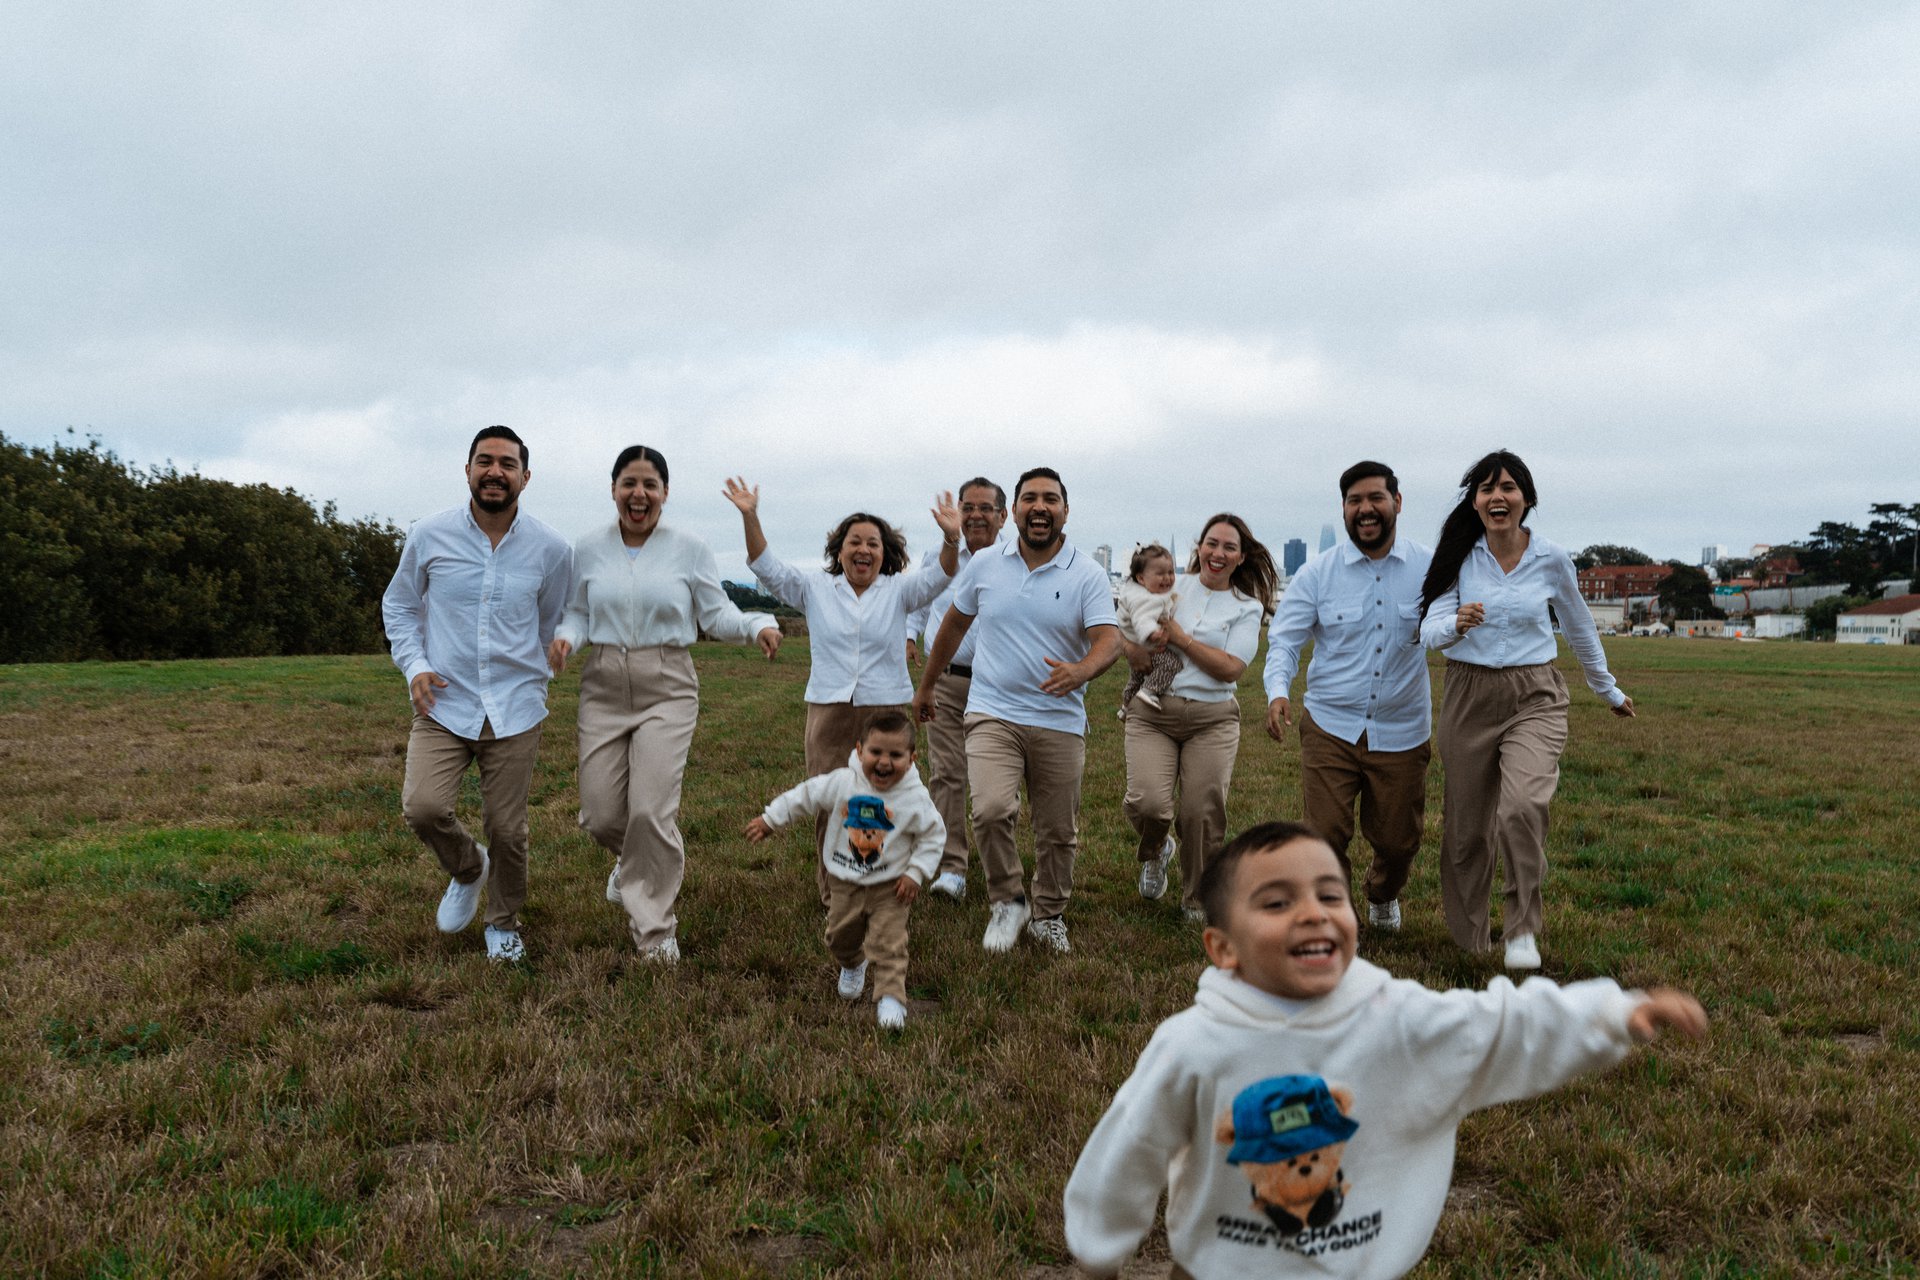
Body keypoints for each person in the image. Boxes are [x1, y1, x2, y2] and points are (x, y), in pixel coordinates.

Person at [1063, 821, 1706, 1278]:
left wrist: (1609, 1014)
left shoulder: (1395, 1019)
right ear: (1223, 949)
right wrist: (1099, 1250)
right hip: (1218, 1269)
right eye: (1277, 902)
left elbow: (1500, 1027)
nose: (1313, 913)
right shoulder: (1193, 1045)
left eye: (1330, 895)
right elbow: (1132, 1143)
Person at [547, 445, 782, 965]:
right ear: (613, 490)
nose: (639, 494)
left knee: (651, 812)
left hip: (668, 684)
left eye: (650, 485)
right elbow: (579, 613)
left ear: (665, 493)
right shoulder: (588, 547)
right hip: (603, 685)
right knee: (600, 816)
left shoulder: (689, 547)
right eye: (629, 483)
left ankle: (655, 932)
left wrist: (757, 625)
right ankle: (636, 862)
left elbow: (715, 613)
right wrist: (566, 639)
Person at [1417, 450, 1636, 971]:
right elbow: (1427, 630)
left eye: (1509, 487)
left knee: (1521, 806)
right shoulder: (1457, 557)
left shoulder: (1552, 559)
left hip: (1535, 695)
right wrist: (1455, 624)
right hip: (1468, 695)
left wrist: (1607, 689)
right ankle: (1470, 936)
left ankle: (1521, 930)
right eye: (1487, 489)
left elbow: (1579, 627)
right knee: (1467, 829)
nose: (1498, 496)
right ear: (1475, 502)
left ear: (1526, 499)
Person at [382, 425, 573, 963]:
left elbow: (555, 619)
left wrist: (552, 656)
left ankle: (503, 922)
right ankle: (469, 868)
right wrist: (415, 666)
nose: (495, 472)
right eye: (485, 461)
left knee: (508, 830)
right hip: (442, 702)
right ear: (467, 470)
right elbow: (400, 605)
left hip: (516, 707)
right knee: (423, 808)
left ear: (525, 477)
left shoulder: (553, 549)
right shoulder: (429, 535)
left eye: (507, 464)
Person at [913, 466, 1121, 954]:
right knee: (989, 810)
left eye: (1050, 499)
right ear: (1017, 510)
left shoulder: (1086, 573)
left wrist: (1080, 671)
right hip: (993, 711)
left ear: (1065, 511)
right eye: (1030, 498)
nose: (1039, 507)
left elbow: (1109, 640)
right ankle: (1008, 900)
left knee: (1057, 830)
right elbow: (953, 624)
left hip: (1058, 718)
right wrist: (927, 685)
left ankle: (1049, 914)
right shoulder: (986, 565)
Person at [723, 478, 961, 903]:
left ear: (884, 553)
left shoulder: (899, 590)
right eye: (855, 542)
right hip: (829, 710)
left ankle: (881, 883)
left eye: (873, 543)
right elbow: (765, 565)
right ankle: (834, 892)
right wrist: (750, 516)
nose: (863, 550)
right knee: (832, 801)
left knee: (887, 800)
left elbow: (942, 575)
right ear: (839, 550)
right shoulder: (815, 587)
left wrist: (950, 538)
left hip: (885, 711)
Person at [1263, 461, 1434, 933]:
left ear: (1397, 503)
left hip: (1402, 729)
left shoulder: (1429, 567)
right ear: (1343, 509)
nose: (1365, 509)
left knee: (1399, 841)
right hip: (1330, 725)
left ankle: (1382, 893)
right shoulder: (1317, 573)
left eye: (1375, 498)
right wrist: (1277, 691)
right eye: (1354, 501)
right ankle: (1337, 918)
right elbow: (1285, 640)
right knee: (1323, 835)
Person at [745, 710, 945, 1030]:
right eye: (876, 752)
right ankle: (853, 962)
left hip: (891, 885)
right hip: (844, 879)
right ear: (859, 750)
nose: (884, 762)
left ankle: (891, 997)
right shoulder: (843, 783)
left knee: (890, 941)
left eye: (895, 755)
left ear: (911, 759)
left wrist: (916, 872)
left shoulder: (915, 797)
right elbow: (806, 795)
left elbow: (934, 835)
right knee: (839, 936)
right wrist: (772, 818)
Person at [1123, 516, 1275, 920]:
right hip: (1153, 711)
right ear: (1199, 547)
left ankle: (1196, 899)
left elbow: (1230, 668)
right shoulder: (1172, 586)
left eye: (1229, 547)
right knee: (1148, 805)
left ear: (1241, 557)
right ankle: (1157, 849)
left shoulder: (1247, 607)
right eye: (1212, 543)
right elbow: (1127, 614)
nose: (1218, 553)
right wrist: (1131, 648)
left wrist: (1181, 639)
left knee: (1201, 814)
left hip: (1213, 719)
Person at [903, 477, 1008, 900]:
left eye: (985, 508)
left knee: (994, 782)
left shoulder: (1015, 560)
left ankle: (1000, 859)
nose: (976, 516)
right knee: (947, 773)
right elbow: (923, 599)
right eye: (969, 508)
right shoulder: (940, 554)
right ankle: (952, 868)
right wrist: (910, 636)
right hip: (945, 680)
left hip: (998, 685)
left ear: (1003, 516)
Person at [1114, 544, 1182, 716]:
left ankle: (1126, 705)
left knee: (1136, 678)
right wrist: (1152, 633)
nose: (1167, 578)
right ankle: (1150, 690)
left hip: (1136, 645)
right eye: (1160, 574)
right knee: (1172, 663)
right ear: (1141, 578)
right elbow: (1142, 619)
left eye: (1171, 572)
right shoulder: (1146, 599)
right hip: (1149, 646)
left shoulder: (1134, 591)